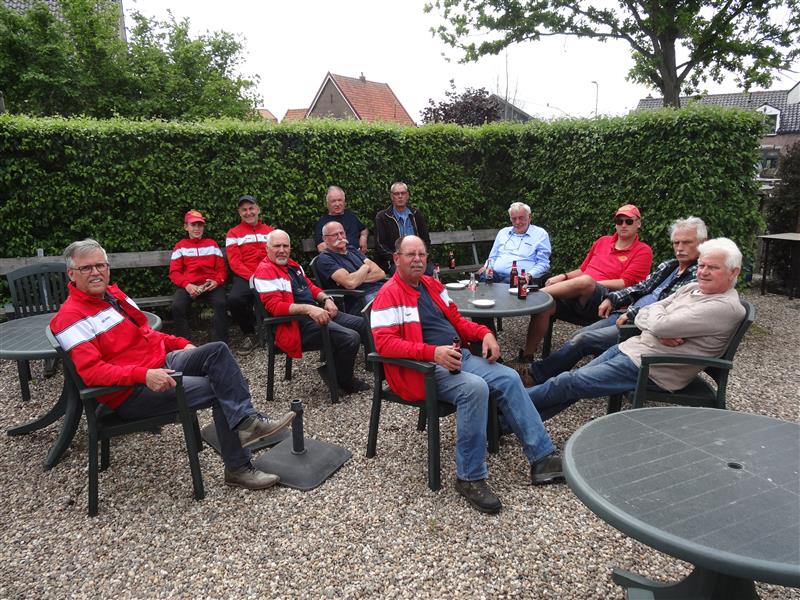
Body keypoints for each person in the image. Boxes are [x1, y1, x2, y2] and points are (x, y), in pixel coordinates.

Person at [50, 239, 294, 490]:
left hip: (160, 361)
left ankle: (247, 423)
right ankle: (239, 467)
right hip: (133, 392)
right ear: (72, 274)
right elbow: (92, 373)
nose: (95, 272)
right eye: (86, 268)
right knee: (222, 388)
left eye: (100, 265)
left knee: (217, 351)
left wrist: (182, 344)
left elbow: (147, 333)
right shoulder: (70, 316)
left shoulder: (113, 296)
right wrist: (144, 374)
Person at [370, 235, 563, 515]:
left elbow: (458, 322)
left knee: (509, 377)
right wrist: (432, 353)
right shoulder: (388, 294)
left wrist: (485, 333)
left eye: (422, 254)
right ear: (396, 258)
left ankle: (542, 457)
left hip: (457, 357)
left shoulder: (432, 285)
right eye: (410, 254)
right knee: (474, 388)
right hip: (421, 369)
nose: (417, 259)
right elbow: (384, 344)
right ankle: (469, 477)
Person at [527, 237, 746, 421]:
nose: (703, 272)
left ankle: (511, 403)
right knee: (570, 382)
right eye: (702, 265)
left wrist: (656, 323)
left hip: (653, 368)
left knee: (569, 382)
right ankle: (514, 422)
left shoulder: (723, 307)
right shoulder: (692, 288)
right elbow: (650, 310)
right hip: (634, 348)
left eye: (713, 268)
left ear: (733, 272)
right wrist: (656, 324)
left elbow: (658, 321)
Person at [526, 216, 707, 385]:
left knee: (582, 339)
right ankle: (541, 371)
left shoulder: (700, 275)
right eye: (676, 242)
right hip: (622, 313)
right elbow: (640, 287)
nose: (680, 248)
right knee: (576, 335)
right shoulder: (669, 266)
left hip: (641, 325)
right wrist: (612, 299)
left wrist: (631, 312)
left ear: (703, 243)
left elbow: (671, 308)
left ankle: (536, 376)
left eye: (687, 242)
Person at [522, 204, 653, 358]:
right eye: (619, 221)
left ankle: (531, 295)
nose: (623, 225)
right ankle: (527, 356)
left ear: (638, 223)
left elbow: (626, 283)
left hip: (607, 301)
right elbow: (582, 270)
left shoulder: (643, 251)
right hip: (579, 292)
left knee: (586, 281)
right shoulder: (603, 241)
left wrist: (591, 283)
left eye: (629, 221)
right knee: (546, 305)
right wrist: (564, 277)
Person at [253, 230, 370, 394]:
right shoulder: (266, 271)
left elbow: (310, 286)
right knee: (350, 337)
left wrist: (326, 299)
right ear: (267, 248)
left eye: (285, 246)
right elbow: (276, 307)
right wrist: (309, 309)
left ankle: (365, 368)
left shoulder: (292, 265)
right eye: (277, 246)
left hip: (315, 315)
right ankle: (343, 380)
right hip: (294, 326)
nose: (282, 250)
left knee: (362, 324)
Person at [169, 210, 228, 343]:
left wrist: (217, 281)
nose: (197, 228)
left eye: (200, 225)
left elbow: (221, 269)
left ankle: (220, 343)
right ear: (186, 227)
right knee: (177, 306)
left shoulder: (212, 244)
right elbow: (174, 272)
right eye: (193, 225)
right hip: (189, 286)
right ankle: (184, 344)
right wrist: (187, 285)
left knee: (221, 303)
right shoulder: (180, 246)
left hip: (211, 285)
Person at [225, 195, 274, 354]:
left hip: (269, 274)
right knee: (234, 300)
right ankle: (249, 333)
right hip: (246, 276)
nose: (248, 212)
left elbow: (277, 254)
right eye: (244, 210)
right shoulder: (233, 233)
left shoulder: (270, 232)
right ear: (239, 213)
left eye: (251, 208)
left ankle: (280, 330)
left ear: (258, 209)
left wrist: (268, 273)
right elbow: (235, 262)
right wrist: (253, 277)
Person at [316, 221, 386, 314]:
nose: (340, 237)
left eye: (342, 233)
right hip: (358, 299)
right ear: (325, 239)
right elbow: (350, 283)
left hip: (379, 289)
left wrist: (357, 278)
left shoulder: (351, 249)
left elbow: (381, 273)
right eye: (335, 235)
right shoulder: (325, 258)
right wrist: (365, 267)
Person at [477, 201, 551, 283]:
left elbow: (543, 263)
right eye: (514, 218)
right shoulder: (503, 232)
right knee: (484, 278)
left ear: (529, 217)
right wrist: (487, 268)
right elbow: (492, 257)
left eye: (521, 218)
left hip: (520, 277)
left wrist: (529, 275)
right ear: (510, 219)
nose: (517, 222)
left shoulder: (540, 234)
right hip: (496, 275)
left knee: (507, 283)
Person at [374, 182, 431, 274]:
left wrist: (420, 256)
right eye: (397, 194)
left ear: (407, 195)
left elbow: (426, 240)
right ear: (392, 197)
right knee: (405, 273)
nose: (400, 196)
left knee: (431, 272)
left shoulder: (416, 214)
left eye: (403, 193)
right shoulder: (382, 217)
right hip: (395, 262)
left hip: (417, 260)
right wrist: (399, 258)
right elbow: (380, 245)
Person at [313, 186, 369, 253]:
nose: (337, 204)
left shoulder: (350, 216)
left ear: (344, 202)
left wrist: (363, 238)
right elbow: (321, 247)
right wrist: (342, 250)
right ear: (327, 204)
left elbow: (363, 229)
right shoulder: (322, 223)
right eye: (333, 201)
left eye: (340, 200)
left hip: (357, 255)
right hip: (337, 257)